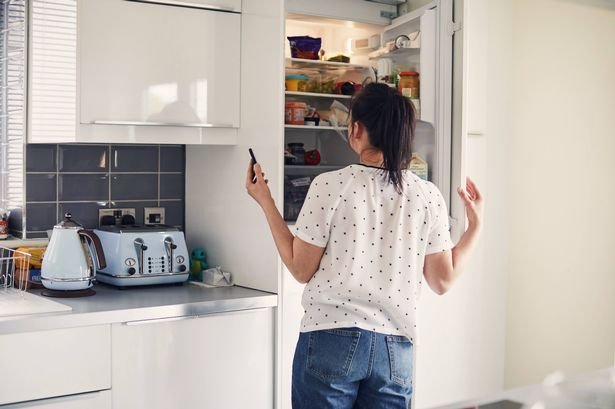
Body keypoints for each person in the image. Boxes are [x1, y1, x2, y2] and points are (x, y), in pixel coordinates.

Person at [246, 83, 483, 409]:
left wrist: (266, 200)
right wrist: (475, 227)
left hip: (330, 338)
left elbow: (301, 268)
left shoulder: (329, 186)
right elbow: (442, 281)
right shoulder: (428, 196)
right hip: (395, 351)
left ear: (356, 129)